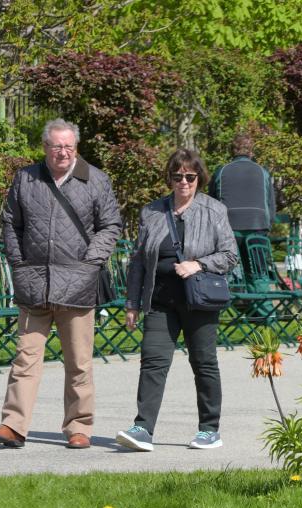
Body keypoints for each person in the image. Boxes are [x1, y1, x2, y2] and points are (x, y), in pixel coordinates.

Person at [0, 119, 122, 450]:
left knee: (79, 362)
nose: (63, 152)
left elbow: (110, 225)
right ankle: (13, 425)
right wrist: (18, 264)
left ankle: (79, 427)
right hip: (35, 283)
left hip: (78, 284)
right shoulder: (26, 178)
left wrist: (91, 263)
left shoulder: (95, 179)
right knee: (25, 357)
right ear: (45, 147)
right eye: (57, 146)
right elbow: (10, 223)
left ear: (76, 148)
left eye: (69, 147)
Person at [116, 149, 238, 452]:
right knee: (152, 362)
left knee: (204, 363)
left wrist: (198, 264)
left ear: (199, 178)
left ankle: (209, 429)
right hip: (160, 300)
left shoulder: (214, 210)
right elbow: (139, 262)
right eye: (177, 176)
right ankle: (142, 428)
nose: (183, 182)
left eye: (190, 176)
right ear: (169, 178)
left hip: (199, 300)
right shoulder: (152, 212)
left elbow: (230, 255)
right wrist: (132, 302)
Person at [208, 133, 276, 285]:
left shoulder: (221, 171)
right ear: (251, 151)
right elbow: (270, 204)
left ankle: (229, 299)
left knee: (229, 269)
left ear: (231, 151)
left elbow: (212, 203)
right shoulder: (262, 172)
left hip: (229, 229)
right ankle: (261, 303)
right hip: (258, 227)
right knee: (258, 271)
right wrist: (268, 225)